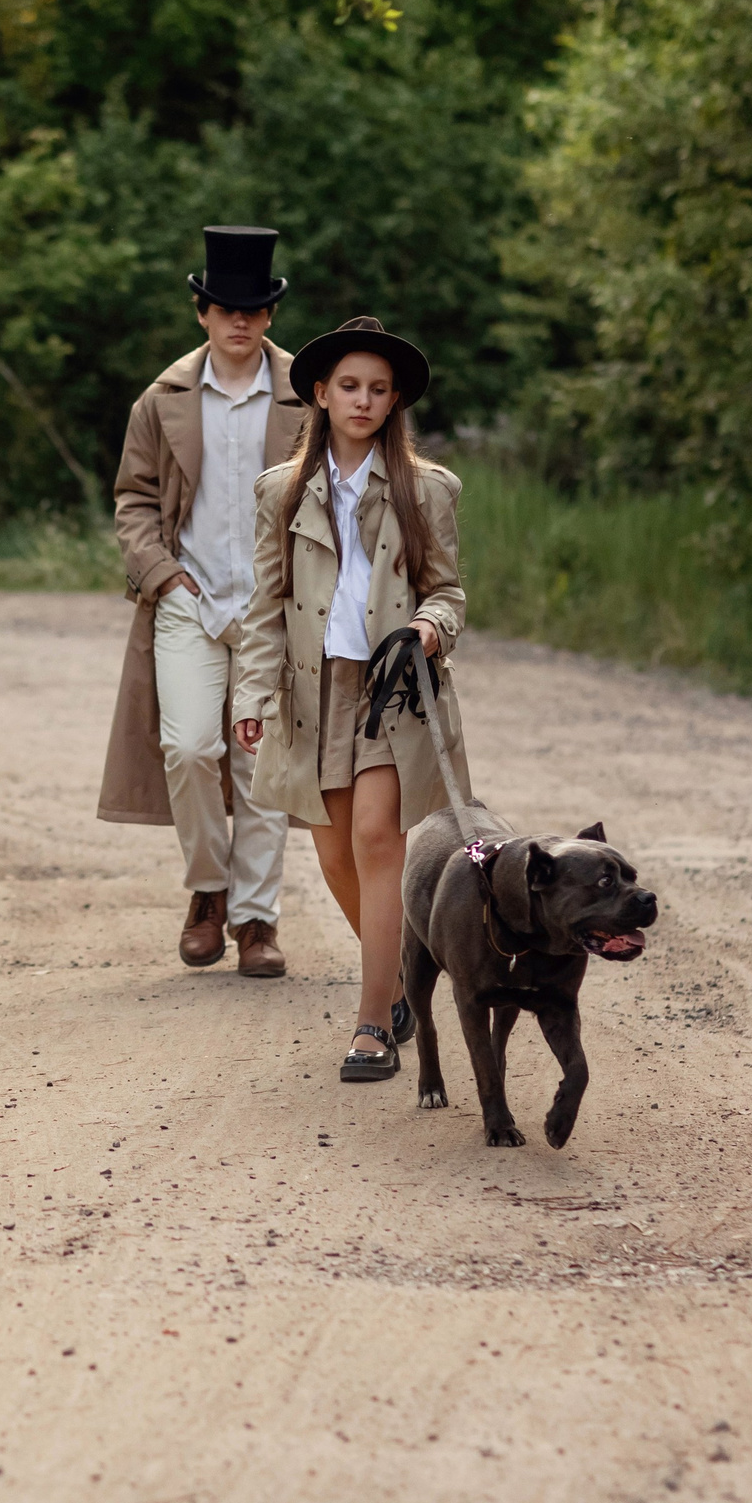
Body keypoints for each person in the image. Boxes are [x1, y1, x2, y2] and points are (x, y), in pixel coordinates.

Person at [234, 316, 472, 1080]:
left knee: (377, 838)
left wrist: (429, 631)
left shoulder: (426, 489)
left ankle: (373, 1024)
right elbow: (265, 605)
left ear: (394, 398)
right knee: (334, 853)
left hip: (395, 686)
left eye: (377, 389)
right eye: (349, 387)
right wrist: (252, 694)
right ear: (320, 394)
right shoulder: (281, 491)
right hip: (313, 689)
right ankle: (402, 982)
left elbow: (448, 593)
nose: (363, 400)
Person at [97, 227, 312, 976]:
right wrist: (163, 574)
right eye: (226, 307)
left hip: (270, 607)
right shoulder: (160, 401)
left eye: (254, 308)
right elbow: (134, 500)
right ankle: (208, 892)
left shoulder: (303, 397)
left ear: (271, 316)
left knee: (260, 764)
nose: (240, 320)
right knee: (188, 748)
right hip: (186, 597)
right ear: (202, 313)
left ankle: (257, 921)